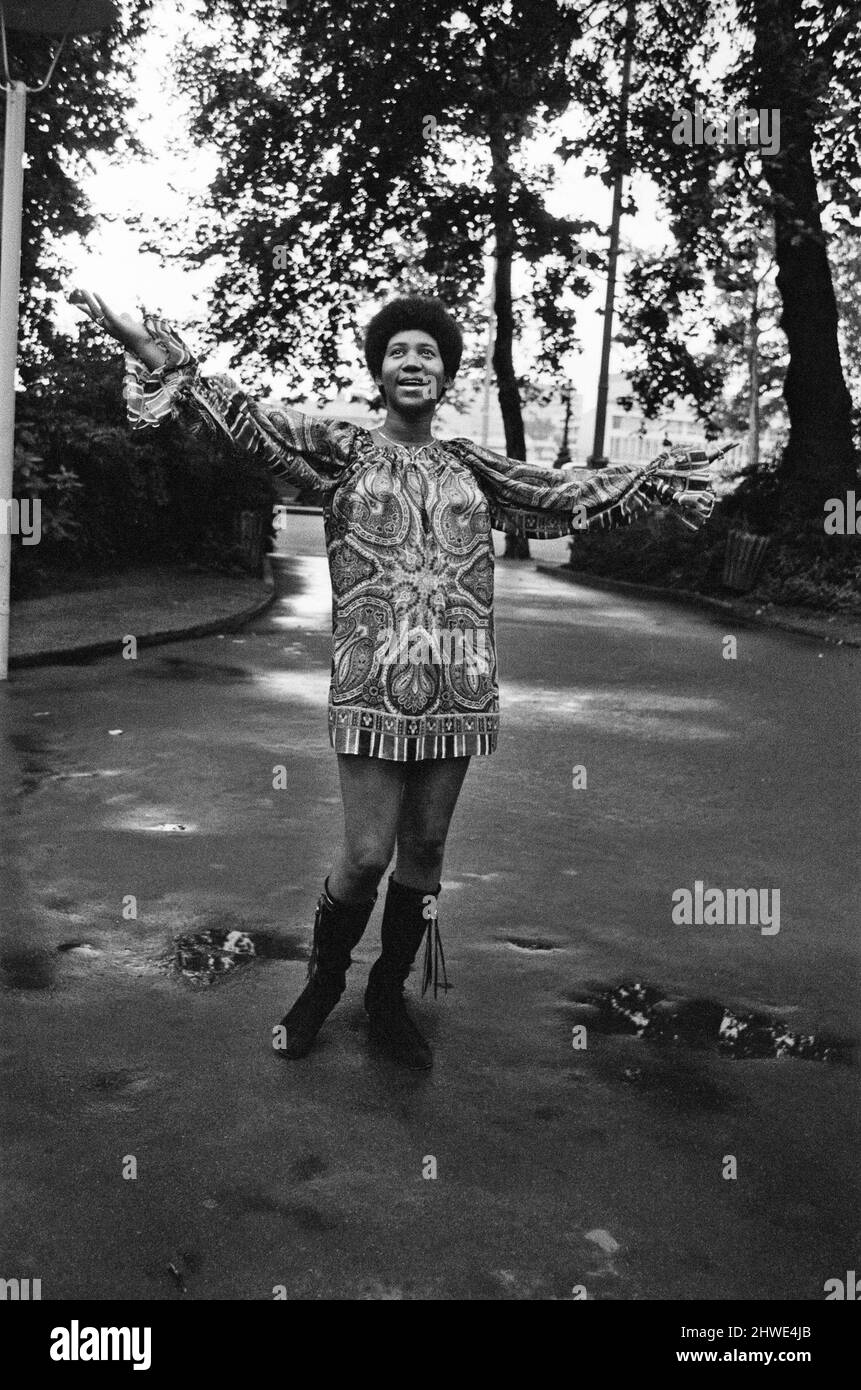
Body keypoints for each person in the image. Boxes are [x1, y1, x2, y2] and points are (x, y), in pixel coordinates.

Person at [72, 288, 726, 1069]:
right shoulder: (339, 451)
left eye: (428, 354)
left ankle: (386, 994)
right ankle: (323, 983)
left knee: (427, 846)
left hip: (457, 684)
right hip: (372, 683)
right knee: (364, 855)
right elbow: (243, 417)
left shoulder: (470, 467)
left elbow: (560, 493)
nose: (413, 363)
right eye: (398, 353)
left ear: (445, 377)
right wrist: (154, 353)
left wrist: (656, 475)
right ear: (378, 373)